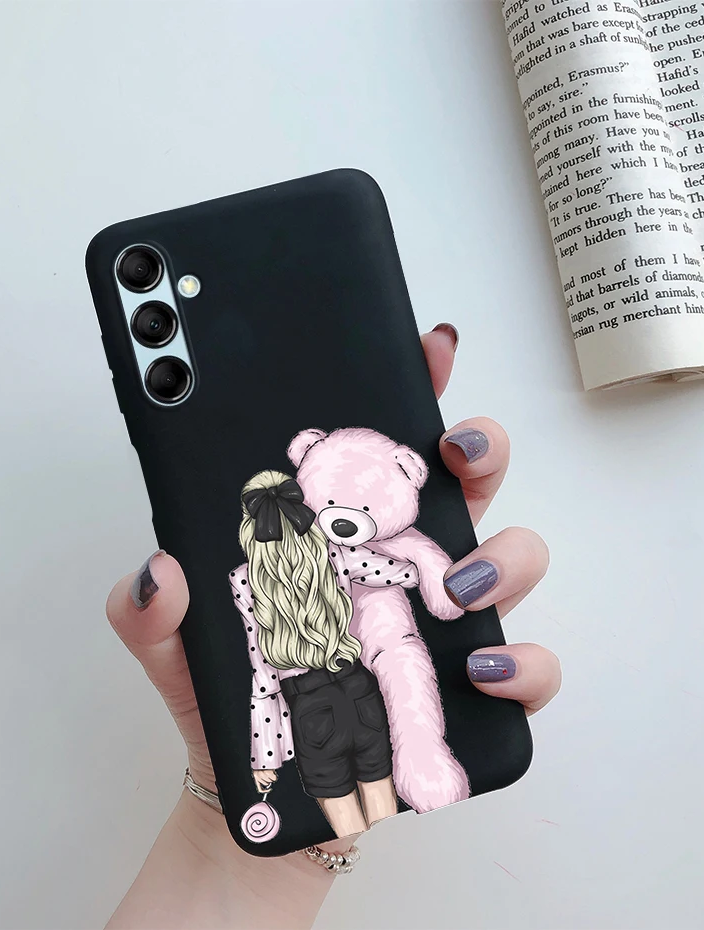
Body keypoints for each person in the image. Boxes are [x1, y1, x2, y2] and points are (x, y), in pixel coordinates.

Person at [103, 324, 561, 930]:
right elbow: (387, 576)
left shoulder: (263, 577)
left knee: (396, 681)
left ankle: (420, 755)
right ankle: (415, 759)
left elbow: (271, 669)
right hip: (340, 686)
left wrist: (264, 762)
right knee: (385, 712)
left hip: (330, 685)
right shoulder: (310, 567)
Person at [232, 469, 398, 837]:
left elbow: (264, 675)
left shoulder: (245, 580)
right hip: (360, 690)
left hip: (310, 710)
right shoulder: (333, 553)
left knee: (347, 829)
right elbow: (396, 572)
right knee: (387, 816)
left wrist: (266, 756)